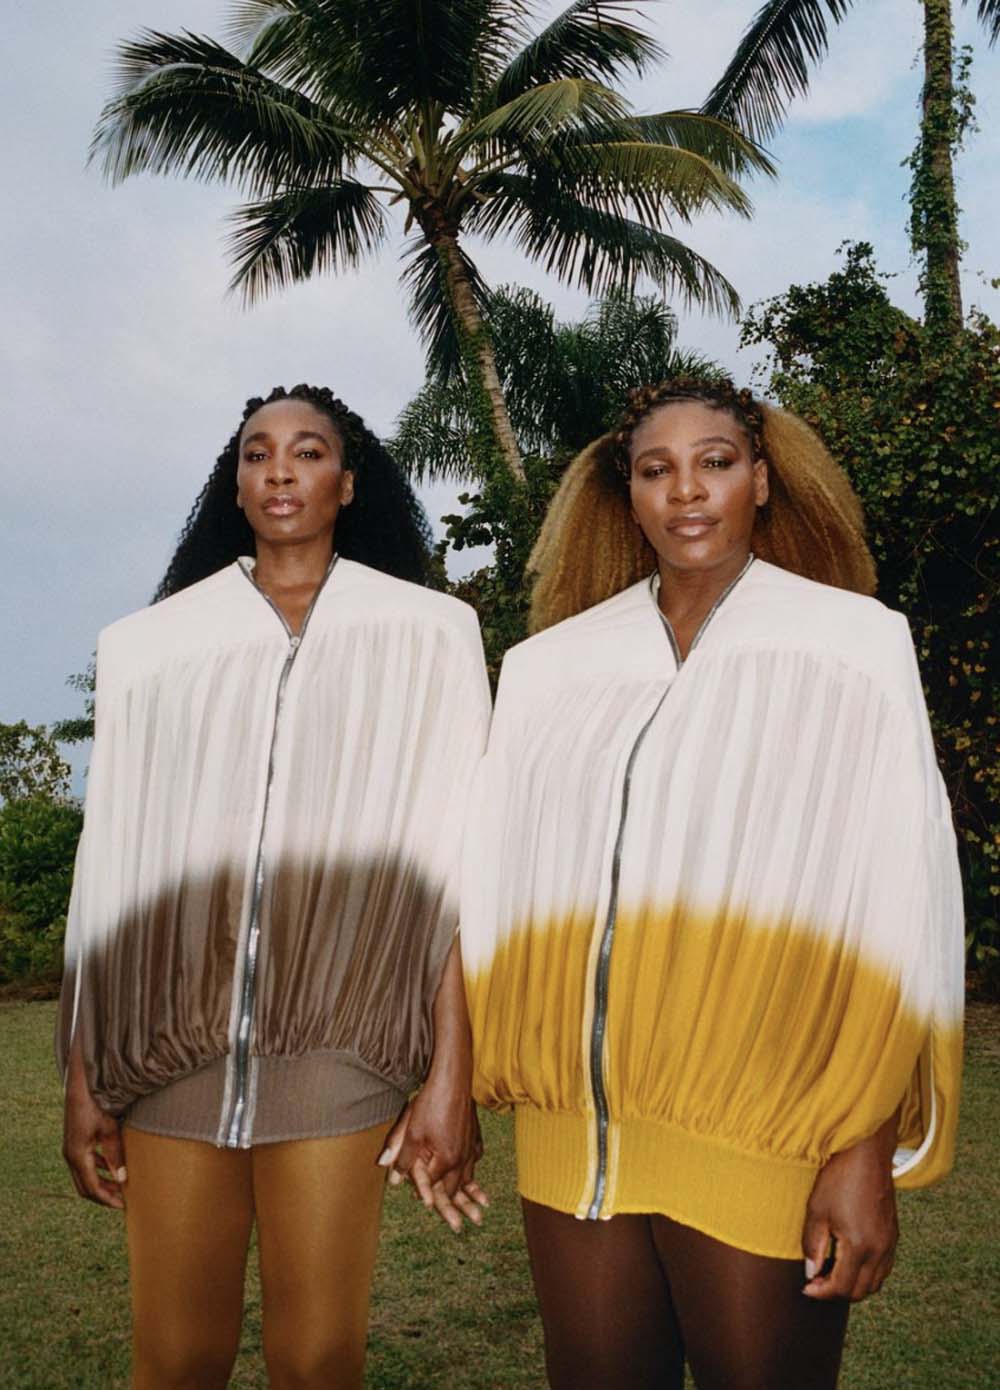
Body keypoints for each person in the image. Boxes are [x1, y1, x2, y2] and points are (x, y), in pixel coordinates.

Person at [461, 377, 964, 1389]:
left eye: (715, 463)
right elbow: (487, 889)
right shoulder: (548, 668)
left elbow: (899, 898)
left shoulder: (852, 643)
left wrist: (862, 1143)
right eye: (657, 470)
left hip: (767, 1118)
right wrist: (449, 1079)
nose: (686, 490)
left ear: (762, 480)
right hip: (572, 1134)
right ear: (627, 495)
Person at [58, 384, 491, 1390]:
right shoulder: (151, 645)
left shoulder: (430, 633)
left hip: (342, 1044)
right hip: (167, 1047)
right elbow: (111, 862)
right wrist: (85, 1073)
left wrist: (450, 1075)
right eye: (258, 453)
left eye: (308, 451)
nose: (281, 470)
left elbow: (454, 865)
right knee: (175, 1359)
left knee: (318, 1357)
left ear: (348, 482)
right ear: (235, 483)